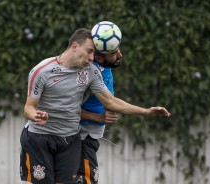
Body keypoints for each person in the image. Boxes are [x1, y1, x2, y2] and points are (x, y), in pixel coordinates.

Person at [20, 28, 171, 184]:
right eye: (89, 51)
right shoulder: (42, 71)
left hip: (70, 140)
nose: (92, 58)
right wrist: (36, 115)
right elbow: (28, 107)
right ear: (74, 46)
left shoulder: (91, 71)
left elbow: (110, 101)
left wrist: (146, 112)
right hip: (40, 137)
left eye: (94, 53)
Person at [78, 46, 122, 184]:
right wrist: (98, 117)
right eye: (114, 53)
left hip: (90, 139)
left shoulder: (105, 66)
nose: (120, 54)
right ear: (98, 58)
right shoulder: (90, 73)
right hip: (81, 137)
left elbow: (111, 101)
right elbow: (67, 109)